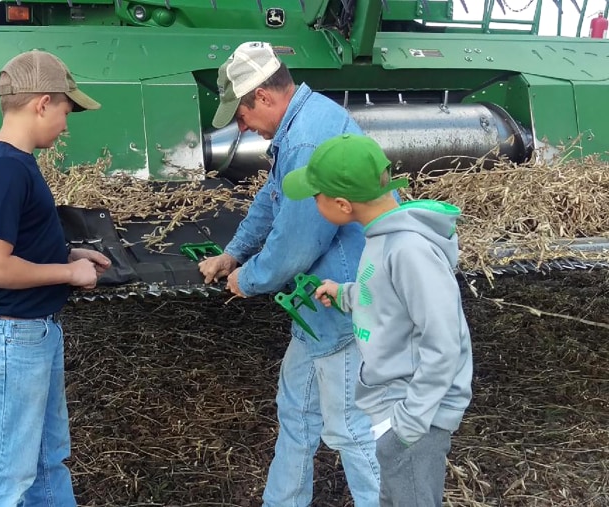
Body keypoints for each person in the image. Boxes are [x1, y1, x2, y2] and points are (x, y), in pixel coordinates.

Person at [198, 41, 380, 506]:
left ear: (262, 97)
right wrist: (233, 254)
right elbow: (272, 199)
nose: (242, 127)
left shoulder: (304, 140)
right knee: (296, 412)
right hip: (314, 311)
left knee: (349, 430)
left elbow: (297, 241)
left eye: (240, 115)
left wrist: (250, 279)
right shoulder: (305, 120)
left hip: (337, 305)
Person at [282, 133, 474, 506]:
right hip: (395, 407)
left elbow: (444, 340)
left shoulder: (409, 250)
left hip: (415, 414)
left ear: (341, 205)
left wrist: (408, 426)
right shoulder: (383, 237)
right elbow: (385, 296)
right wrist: (345, 294)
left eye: (315, 196)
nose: (314, 203)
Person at [0, 49, 111, 506]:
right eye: (66, 111)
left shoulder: (12, 162)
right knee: (7, 474)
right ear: (42, 102)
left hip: (30, 330)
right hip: (11, 333)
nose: (66, 125)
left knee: (47, 459)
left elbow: (15, 241)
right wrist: (68, 272)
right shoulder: (7, 169)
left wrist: (67, 251)